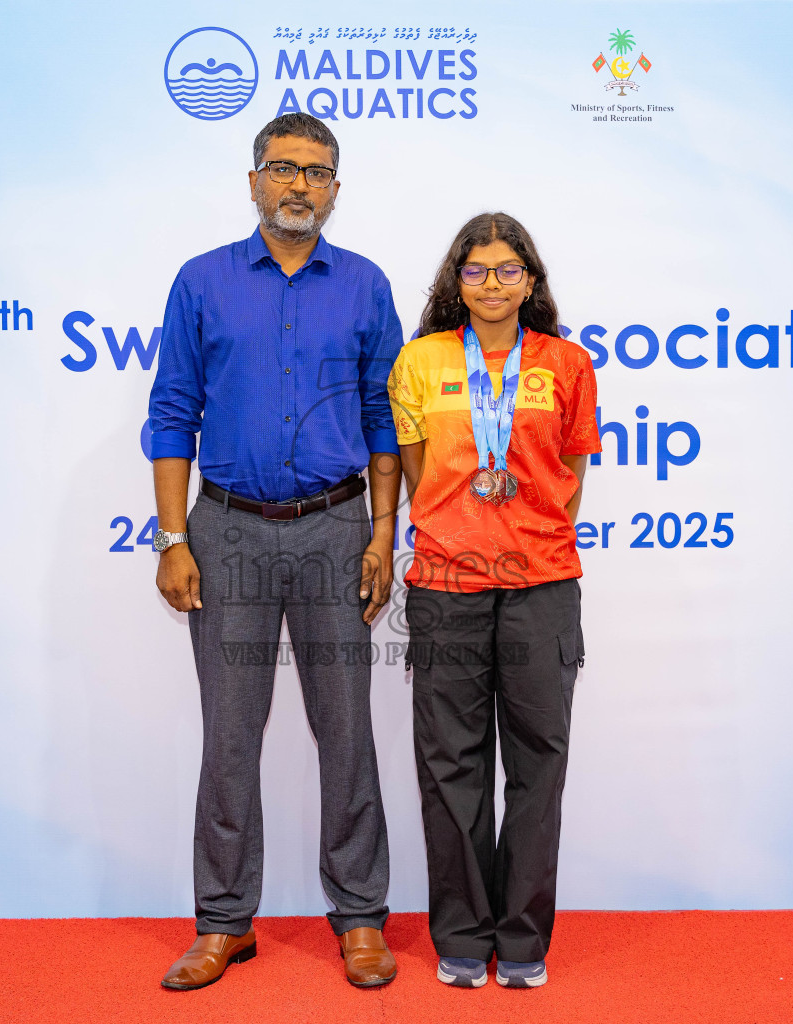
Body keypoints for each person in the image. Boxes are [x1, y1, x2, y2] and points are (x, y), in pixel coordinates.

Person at [147, 113, 403, 991]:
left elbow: (385, 422)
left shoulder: (365, 287)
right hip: (226, 532)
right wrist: (174, 538)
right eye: (284, 169)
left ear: (337, 189)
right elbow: (172, 411)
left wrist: (382, 531)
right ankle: (224, 922)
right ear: (252, 179)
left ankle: (361, 916)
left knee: (347, 730)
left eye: (318, 173)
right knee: (229, 736)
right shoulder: (201, 283)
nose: (300, 186)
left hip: (337, 531)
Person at [387, 213, 600, 989]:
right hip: (447, 585)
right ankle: (464, 936)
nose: (492, 284)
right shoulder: (420, 362)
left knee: (538, 764)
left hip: (543, 585)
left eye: (509, 270)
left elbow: (570, 478)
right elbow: (417, 477)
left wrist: (525, 538)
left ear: (532, 281)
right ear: (455, 281)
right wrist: (467, 531)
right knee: (452, 764)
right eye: (475, 271)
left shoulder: (568, 365)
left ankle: (521, 940)